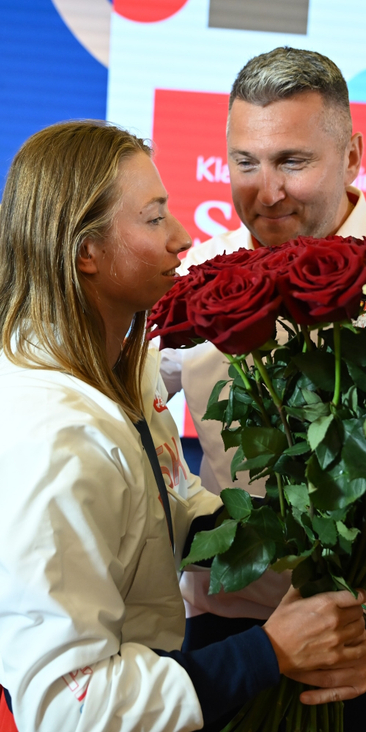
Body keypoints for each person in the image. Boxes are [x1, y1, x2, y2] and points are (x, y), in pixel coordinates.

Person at [0, 121, 366, 732]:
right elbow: (68, 707)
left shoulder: (126, 368)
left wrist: (297, 535)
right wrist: (268, 652)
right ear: (85, 253)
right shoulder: (57, 442)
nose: (182, 237)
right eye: (153, 218)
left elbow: (167, 506)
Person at [159, 47, 366, 635]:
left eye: (292, 162)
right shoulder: (194, 278)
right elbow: (114, 400)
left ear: (351, 157)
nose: (266, 192)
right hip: (226, 631)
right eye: (245, 163)